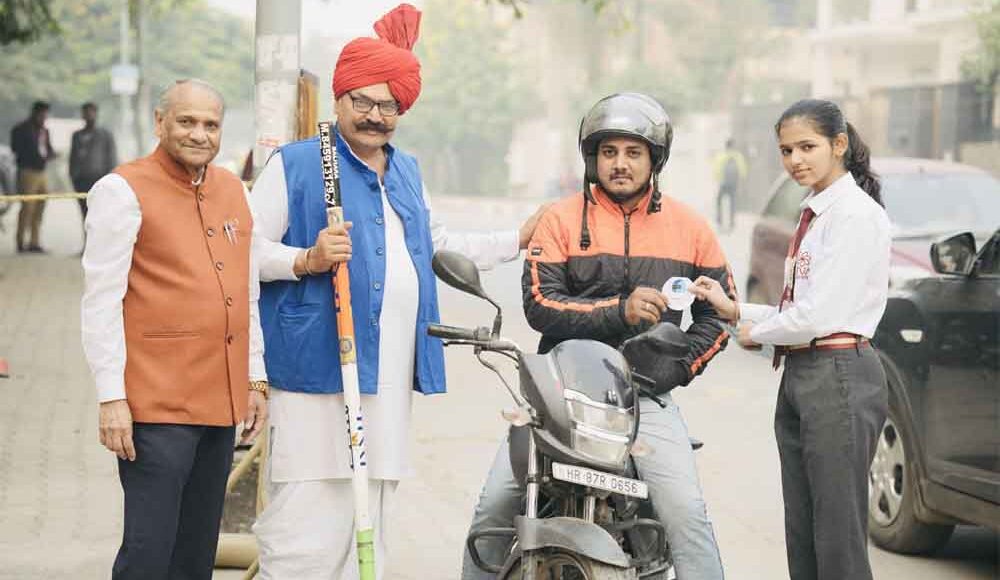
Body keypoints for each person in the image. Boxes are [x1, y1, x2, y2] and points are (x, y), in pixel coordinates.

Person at [248, 5, 547, 579]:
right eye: (363, 101)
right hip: (315, 369)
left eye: (389, 105)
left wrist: (515, 238)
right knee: (308, 518)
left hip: (385, 377)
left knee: (372, 508)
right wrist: (306, 259)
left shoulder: (405, 170)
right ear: (339, 100)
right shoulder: (300, 164)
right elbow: (244, 255)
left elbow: (433, 246)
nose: (375, 115)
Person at [462, 92, 735, 580]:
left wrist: (679, 365)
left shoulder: (691, 227)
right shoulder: (560, 219)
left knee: (686, 514)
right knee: (494, 507)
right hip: (559, 393)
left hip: (645, 397)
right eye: (609, 152)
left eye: (633, 153)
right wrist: (620, 311)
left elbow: (717, 316)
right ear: (592, 158)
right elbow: (540, 304)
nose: (620, 164)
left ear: (655, 159)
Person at [689, 98, 890, 580]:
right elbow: (800, 309)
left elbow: (818, 315)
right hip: (805, 373)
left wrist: (755, 330)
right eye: (786, 150)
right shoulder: (816, 212)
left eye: (807, 147)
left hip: (839, 375)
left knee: (837, 538)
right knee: (804, 533)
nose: (795, 160)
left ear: (839, 145)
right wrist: (735, 308)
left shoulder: (854, 216)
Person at [80, 79, 268, 580]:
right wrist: (111, 398)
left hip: (218, 401)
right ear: (160, 123)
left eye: (211, 124)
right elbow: (101, 302)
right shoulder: (122, 190)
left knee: (195, 553)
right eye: (187, 121)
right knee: (149, 550)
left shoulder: (232, 189)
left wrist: (254, 378)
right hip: (156, 403)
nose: (200, 134)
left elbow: (245, 289)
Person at [10, 101, 55, 253]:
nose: (44, 117)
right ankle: (20, 241)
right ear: (35, 113)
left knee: (40, 206)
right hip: (27, 171)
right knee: (27, 207)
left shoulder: (45, 131)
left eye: (46, 114)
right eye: (42, 114)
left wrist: (51, 155)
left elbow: (48, 149)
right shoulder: (22, 129)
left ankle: (34, 242)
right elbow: (16, 148)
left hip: (41, 171)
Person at [69, 102, 118, 225]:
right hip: (81, 180)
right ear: (82, 115)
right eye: (86, 112)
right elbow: (72, 158)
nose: (88, 115)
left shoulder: (105, 135)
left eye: (91, 112)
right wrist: (73, 177)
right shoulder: (77, 135)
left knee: (100, 213)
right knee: (85, 214)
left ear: (96, 114)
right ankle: (88, 242)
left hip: (99, 179)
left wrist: (110, 179)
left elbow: (112, 158)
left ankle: (100, 243)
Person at [711, 138, 746, 233]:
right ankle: (732, 222)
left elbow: (716, 170)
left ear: (726, 146)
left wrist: (719, 180)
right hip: (733, 184)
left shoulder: (721, 156)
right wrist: (740, 181)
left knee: (719, 201)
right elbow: (743, 170)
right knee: (732, 202)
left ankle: (719, 220)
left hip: (723, 183)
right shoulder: (738, 156)